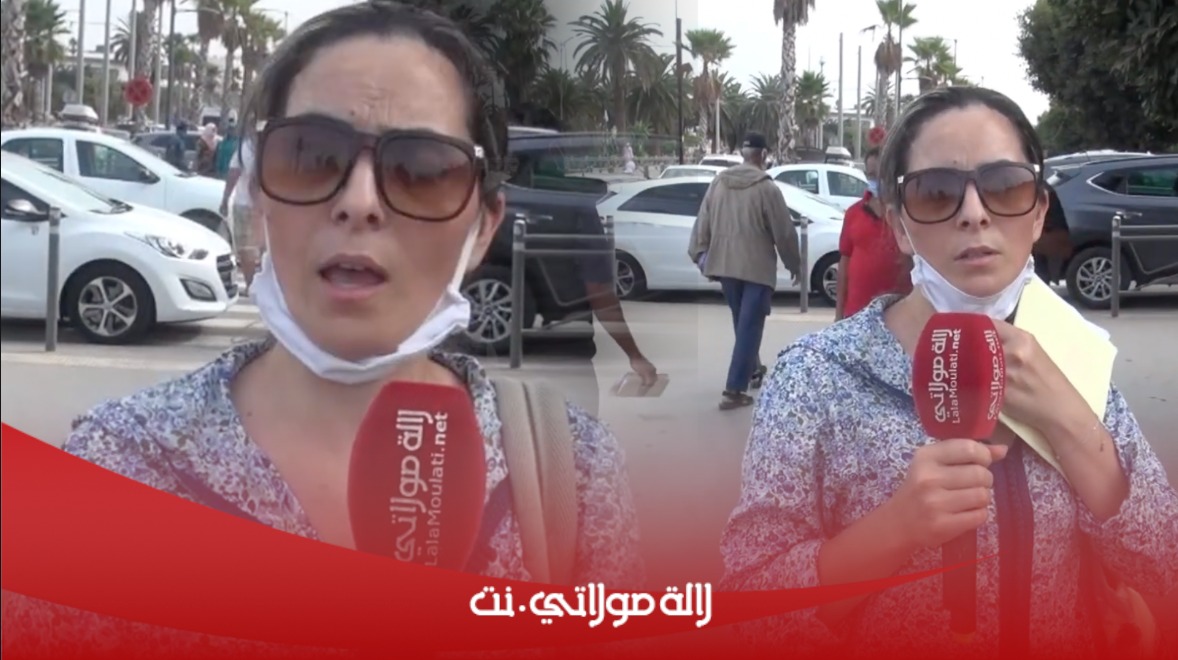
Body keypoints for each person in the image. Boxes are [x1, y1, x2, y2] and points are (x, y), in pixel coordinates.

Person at [1, 7, 646, 648]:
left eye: (422, 170)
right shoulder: (116, 465)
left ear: (482, 227)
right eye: (311, 156)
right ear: (259, 198)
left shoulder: (573, 474)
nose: (359, 203)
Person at [718, 86, 1178, 657]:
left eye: (1005, 186)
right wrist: (896, 528)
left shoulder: (1075, 359)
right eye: (936, 193)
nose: (974, 213)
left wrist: (1068, 419)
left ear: (1038, 212)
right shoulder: (817, 379)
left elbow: (1165, 571)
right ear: (899, 224)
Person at [688, 132, 799, 410]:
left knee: (742, 323)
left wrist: (699, 253)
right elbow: (784, 232)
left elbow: (703, 220)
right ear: (763, 155)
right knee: (749, 326)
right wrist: (794, 263)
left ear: (743, 154)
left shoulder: (719, 183)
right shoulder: (767, 189)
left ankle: (752, 369)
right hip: (756, 268)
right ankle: (734, 390)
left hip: (725, 265)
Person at [834, 146, 912, 320]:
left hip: (899, 315)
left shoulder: (908, 213)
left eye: (882, 175)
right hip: (856, 315)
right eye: (871, 175)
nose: (877, 181)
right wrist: (839, 314)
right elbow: (844, 265)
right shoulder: (853, 213)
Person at [220, 129, 260, 292]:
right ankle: (266, 285)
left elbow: (234, 173)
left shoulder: (247, 147)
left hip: (245, 204)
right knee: (264, 248)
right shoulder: (273, 146)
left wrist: (225, 199)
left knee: (246, 248)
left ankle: (252, 286)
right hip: (268, 205)